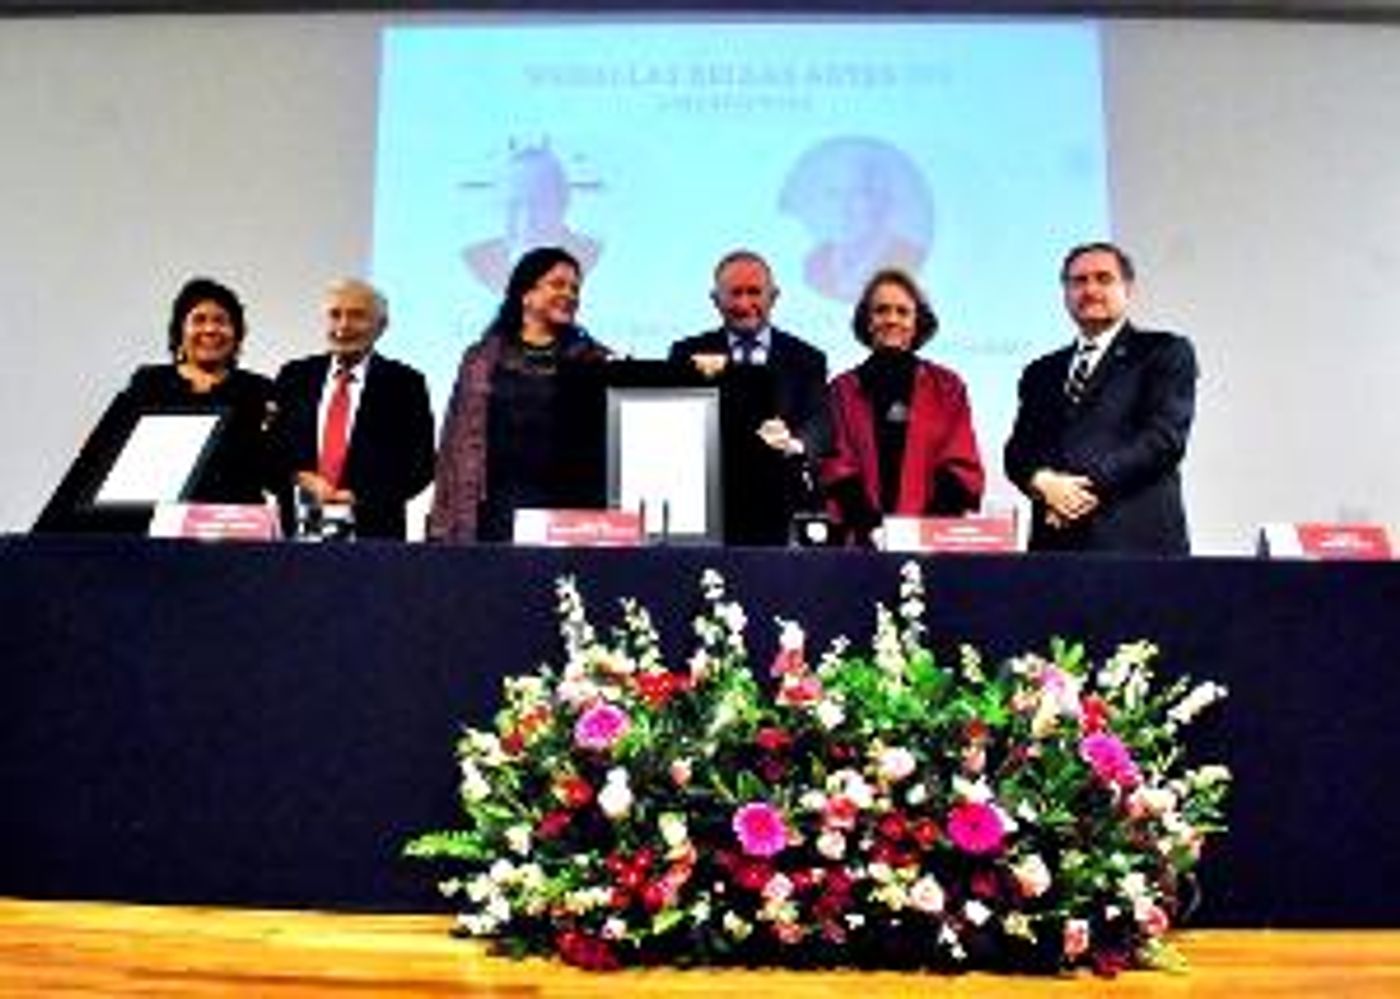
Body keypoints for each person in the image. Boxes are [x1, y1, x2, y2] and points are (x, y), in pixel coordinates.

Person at [34, 277, 274, 533]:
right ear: (180, 332)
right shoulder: (149, 383)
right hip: (151, 533)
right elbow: (100, 456)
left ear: (237, 333)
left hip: (231, 533)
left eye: (221, 321)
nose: (210, 329)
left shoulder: (259, 390)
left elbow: (275, 469)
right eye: (199, 319)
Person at [1004, 242, 1197, 554]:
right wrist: (1042, 481)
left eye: (1103, 278)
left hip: (1136, 544)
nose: (1090, 289)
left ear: (1128, 288)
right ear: (1065, 292)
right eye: (1078, 281)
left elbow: (1163, 440)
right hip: (1054, 547)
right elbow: (1019, 450)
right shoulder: (1040, 372)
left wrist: (1075, 491)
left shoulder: (1164, 351)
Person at [429, 246, 610, 543]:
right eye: (558, 285)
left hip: (571, 516)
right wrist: (442, 526)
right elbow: (453, 446)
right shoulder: (480, 360)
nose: (570, 295)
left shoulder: (595, 360)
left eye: (575, 288)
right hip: (496, 512)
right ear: (525, 294)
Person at [669, 250, 830, 545]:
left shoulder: (808, 358)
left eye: (754, 292)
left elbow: (819, 424)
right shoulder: (685, 353)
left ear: (774, 296)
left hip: (782, 509)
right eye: (735, 293)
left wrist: (793, 443)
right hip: (708, 509)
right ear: (715, 300)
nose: (744, 304)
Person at [822, 269, 984, 545]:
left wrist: (923, 533)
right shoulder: (842, 390)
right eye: (881, 311)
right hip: (860, 541)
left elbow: (960, 465)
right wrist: (871, 528)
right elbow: (836, 464)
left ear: (918, 321)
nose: (892, 320)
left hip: (932, 543)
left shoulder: (948, 387)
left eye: (903, 311)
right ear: (867, 320)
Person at [269, 279, 435, 540]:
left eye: (357, 316)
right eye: (335, 315)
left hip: (374, 535)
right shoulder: (294, 377)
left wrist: (359, 497)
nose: (343, 326)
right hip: (297, 532)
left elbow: (420, 466)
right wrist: (299, 477)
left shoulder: (405, 384)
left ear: (381, 326)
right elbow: (270, 452)